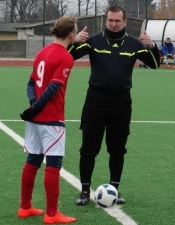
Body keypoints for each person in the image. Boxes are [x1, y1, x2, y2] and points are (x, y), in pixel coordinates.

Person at [67, 5, 160, 206]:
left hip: (121, 103)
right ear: (105, 21)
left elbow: (154, 63)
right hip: (95, 102)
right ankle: (84, 191)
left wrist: (152, 47)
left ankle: (115, 189)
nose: (114, 24)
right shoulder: (93, 41)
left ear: (125, 22)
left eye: (118, 21)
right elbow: (68, 57)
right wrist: (73, 42)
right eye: (110, 20)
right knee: (88, 149)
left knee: (117, 149)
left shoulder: (135, 44)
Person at [18, 16, 77, 224]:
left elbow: (30, 83)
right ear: (71, 34)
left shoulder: (42, 52)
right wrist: (38, 106)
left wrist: (33, 106)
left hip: (35, 118)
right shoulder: (66, 57)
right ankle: (52, 214)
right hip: (51, 119)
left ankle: (25, 207)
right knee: (53, 165)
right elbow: (53, 88)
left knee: (33, 160)